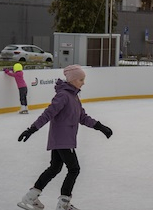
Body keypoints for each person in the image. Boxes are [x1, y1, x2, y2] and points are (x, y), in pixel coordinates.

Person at [17, 65, 113, 210]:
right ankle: (63, 203)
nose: (83, 82)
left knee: (55, 168)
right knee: (74, 169)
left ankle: (30, 197)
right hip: (63, 140)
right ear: (73, 80)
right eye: (81, 79)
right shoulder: (63, 96)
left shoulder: (73, 96)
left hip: (62, 139)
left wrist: (100, 126)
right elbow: (48, 114)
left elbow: (83, 117)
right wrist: (31, 129)